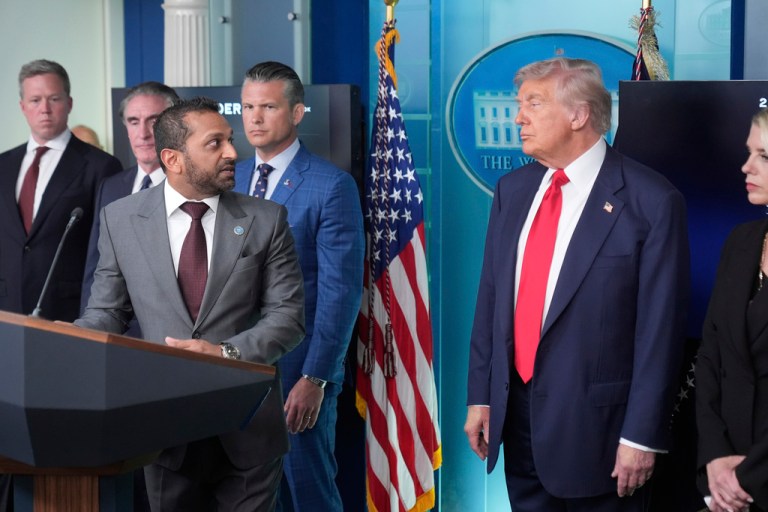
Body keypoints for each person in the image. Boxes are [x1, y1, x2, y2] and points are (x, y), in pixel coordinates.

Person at [464, 57, 690, 511]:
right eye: (519, 103)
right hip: (518, 425)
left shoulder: (651, 200)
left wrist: (641, 435)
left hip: (603, 438)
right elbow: (491, 300)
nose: (518, 117)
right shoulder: (514, 190)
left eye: (534, 102)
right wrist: (482, 397)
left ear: (579, 115)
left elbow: (660, 334)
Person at [75, 96, 305, 512]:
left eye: (230, 140)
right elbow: (107, 312)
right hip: (165, 431)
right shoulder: (120, 218)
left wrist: (223, 354)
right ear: (173, 159)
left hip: (249, 429)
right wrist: (67, 343)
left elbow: (287, 317)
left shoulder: (268, 219)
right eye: (215, 143)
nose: (234, 152)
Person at [234, 61, 364, 511]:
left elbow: (340, 292)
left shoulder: (331, 187)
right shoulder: (227, 180)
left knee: (306, 494)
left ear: (297, 112)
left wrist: (316, 378)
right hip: (229, 369)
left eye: (268, 106)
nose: (254, 117)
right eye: (248, 106)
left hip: (297, 373)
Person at [0, 58, 121, 512]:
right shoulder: (3, 165)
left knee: (63, 452)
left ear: (69, 102)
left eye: (53, 98)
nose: (45, 108)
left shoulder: (100, 166)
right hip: (8, 326)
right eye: (35, 100)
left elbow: (105, 254)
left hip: (71, 327)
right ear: (22, 106)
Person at [696, 108, 768, 512]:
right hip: (722, 479)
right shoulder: (742, 240)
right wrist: (715, 457)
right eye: (748, 152)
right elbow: (711, 354)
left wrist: (744, 478)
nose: (746, 166)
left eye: (763, 156)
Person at [80, 81, 180, 333]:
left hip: (172, 341)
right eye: (134, 121)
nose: (143, 133)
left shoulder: (193, 187)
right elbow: (95, 267)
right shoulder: (111, 187)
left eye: (154, 120)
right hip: (113, 334)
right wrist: (85, 330)